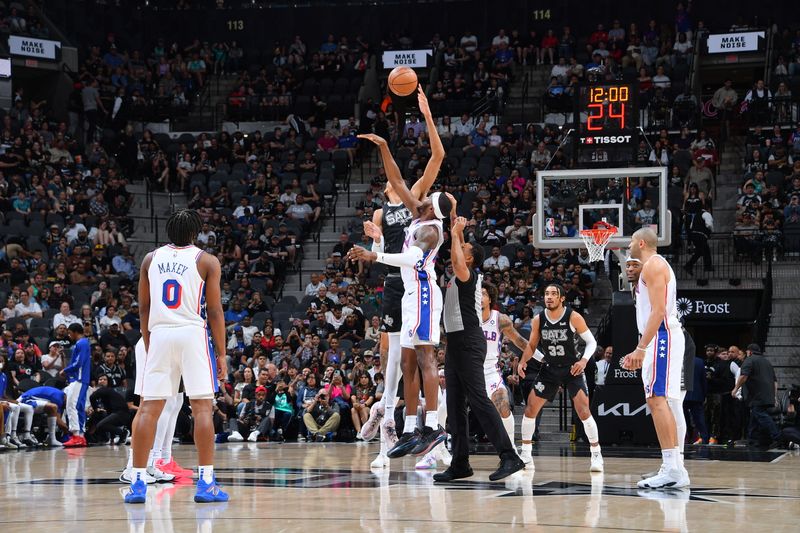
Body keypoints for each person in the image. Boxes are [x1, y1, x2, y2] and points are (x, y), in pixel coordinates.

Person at [350, 138, 452, 460]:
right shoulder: (417, 215)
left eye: (429, 197)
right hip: (408, 295)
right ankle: (410, 429)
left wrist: (374, 255)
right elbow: (395, 179)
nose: (422, 197)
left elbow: (411, 260)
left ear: (433, 207)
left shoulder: (431, 230)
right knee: (406, 362)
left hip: (423, 293)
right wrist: (382, 146)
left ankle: (433, 428)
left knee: (425, 359)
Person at [126, 209, 228, 504]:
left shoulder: (149, 259)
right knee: (202, 409)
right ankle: (206, 481)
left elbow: (143, 309)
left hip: (159, 334)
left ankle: (138, 482)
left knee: (148, 409)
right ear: (196, 233)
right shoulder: (207, 260)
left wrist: (149, 341)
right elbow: (215, 311)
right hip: (191, 333)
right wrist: (221, 354)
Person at [433, 216, 525, 483]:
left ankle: (509, 455)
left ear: (470, 259)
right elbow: (459, 251)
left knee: (479, 400)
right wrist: (455, 224)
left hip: (469, 342)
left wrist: (455, 232)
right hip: (455, 344)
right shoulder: (464, 272)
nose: (459, 251)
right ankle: (460, 462)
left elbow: (457, 258)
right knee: (454, 404)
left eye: (464, 250)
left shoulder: (468, 275)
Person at [622, 228, 690, 488]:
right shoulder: (650, 267)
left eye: (630, 242)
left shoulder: (653, 265)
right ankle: (674, 467)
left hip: (662, 337)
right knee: (662, 401)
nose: (628, 246)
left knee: (657, 399)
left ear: (640, 242)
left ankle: (673, 468)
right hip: (660, 338)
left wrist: (641, 347)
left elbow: (659, 311)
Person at [517, 284, 604, 473]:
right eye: (546, 293)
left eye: (553, 294)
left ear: (561, 298)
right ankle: (525, 453)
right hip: (549, 369)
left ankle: (596, 453)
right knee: (530, 408)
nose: (549, 297)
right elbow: (532, 345)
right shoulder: (538, 319)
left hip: (572, 368)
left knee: (583, 411)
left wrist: (583, 360)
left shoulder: (573, 316)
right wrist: (523, 361)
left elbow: (591, 342)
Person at [120, 339, 192, 484]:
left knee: (169, 403)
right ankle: (131, 468)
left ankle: (153, 463)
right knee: (146, 405)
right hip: (152, 342)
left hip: (167, 343)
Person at [480, 283, 531, 445]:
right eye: (477, 294)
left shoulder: (500, 319)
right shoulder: (467, 317)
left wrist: (542, 357)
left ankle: (511, 449)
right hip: (468, 370)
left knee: (503, 405)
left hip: (490, 371)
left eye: (483, 294)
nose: (480, 298)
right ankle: (437, 450)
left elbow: (520, 341)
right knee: (444, 405)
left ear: (490, 299)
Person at [731, 344, 780, 448]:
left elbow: (744, 376)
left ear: (749, 352)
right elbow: (775, 381)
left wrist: (735, 389)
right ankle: (752, 439)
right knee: (754, 416)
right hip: (768, 395)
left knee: (760, 414)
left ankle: (777, 436)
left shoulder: (749, 360)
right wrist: (774, 396)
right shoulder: (767, 362)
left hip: (757, 395)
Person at [61, 323, 92, 447]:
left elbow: (78, 362)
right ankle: (81, 436)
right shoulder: (84, 343)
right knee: (79, 406)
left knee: (71, 405)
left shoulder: (81, 343)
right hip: (82, 379)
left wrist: (65, 370)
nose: (69, 335)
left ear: (74, 332)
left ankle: (75, 435)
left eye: (70, 332)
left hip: (79, 379)